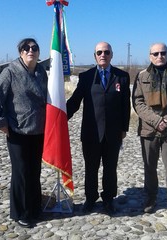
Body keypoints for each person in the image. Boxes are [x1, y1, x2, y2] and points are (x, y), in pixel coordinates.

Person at [0, 38, 48, 228]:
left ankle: (35, 207)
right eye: (26, 48)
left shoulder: (41, 72)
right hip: (18, 132)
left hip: (38, 130)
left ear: (38, 52)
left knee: (34, 171)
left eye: (34, 48)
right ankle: (20, 212)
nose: (31, 51)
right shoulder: (10, 72)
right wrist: (0, 123)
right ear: (20, 52)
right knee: (21, 173)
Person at [67, 42, 131, 215]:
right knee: (91, 168)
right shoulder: (86, 77)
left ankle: (109, 199)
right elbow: (75, 101)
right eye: (99, 52)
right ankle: (90, 198)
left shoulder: (122, 77)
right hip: (91, 133)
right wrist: (60, 117)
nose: (103, 54)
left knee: (110, 168)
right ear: (94, 55)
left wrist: (124, 128)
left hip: (113, 133)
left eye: (106, 52)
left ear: (111, 54)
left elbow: (126, 105)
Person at [132, 43, 167, 220]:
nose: (159, 56)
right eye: (155, 53)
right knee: (149, 168)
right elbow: (138, 102)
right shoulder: (142, 76)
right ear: (150, 56)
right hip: (149, 130)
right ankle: (150, 198)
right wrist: (157, 121)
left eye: (163, 53)